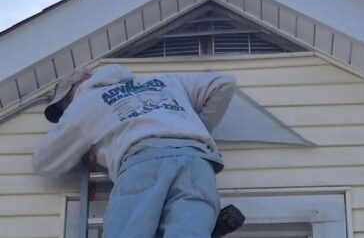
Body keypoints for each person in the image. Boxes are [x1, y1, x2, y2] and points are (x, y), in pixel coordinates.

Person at [32, 64, 236, 238]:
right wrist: (192, 127)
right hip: (197, 163)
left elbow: (43, 161)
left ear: (85, 79)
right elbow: (223, 83)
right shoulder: (165, 82)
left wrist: (80, 146)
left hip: (143, 163)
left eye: (67, 100)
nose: (68, 109)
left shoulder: (86, 101)